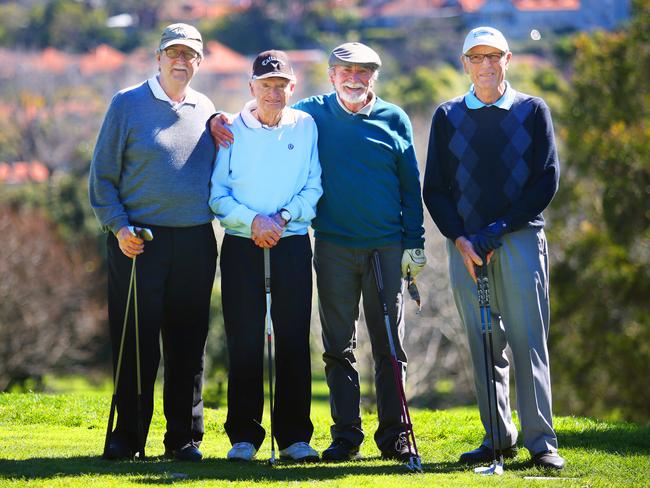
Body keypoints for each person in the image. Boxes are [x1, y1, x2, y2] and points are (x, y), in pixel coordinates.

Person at [211, 41, 426, 465]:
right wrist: (213, 121)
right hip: (289, 245)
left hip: (341, 242)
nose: (354, 78)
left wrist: (414, 242)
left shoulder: (343, 121)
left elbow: (395, 187)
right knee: (293, 344)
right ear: (331, 75)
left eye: (364, 72)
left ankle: (366, 436)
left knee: (353, 344)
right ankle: (298, 436)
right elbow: (222, 183)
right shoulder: (269, 122)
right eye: (346, 71)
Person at [423, 26, 565, 470]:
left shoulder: (532, 109)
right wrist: (460, 238)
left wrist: (500, 227)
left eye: (494, 57)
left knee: (526, 340)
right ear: (465, 64)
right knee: (484, 341)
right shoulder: (447, 116)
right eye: (476, 58)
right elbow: (436, 189)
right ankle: (497, 438)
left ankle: (541, 441)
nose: (485, 65)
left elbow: (547, 179)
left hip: (519, 240)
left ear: (508, 59)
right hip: (466, 248)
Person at [89, 23, 217, 462]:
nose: (181, 61)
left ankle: (183, 438)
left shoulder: (206, 108)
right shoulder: (126, 104)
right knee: (136, 345)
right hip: (137, 241)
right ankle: (128, 438)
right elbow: (102, 177)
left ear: (199, 62)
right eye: (173, 53)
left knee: (187, 344)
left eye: (190, 55)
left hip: (196, 240)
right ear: (158, 57)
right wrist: (118, 227)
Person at [209, 50, 322, 462]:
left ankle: (294, 437)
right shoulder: (230, 130)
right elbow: (217, 195)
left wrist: (282, 217)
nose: (273, 92)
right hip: (242, 244)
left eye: (281, 85)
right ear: (251, 87)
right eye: (266, 84)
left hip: (291, 242)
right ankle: (244, 436)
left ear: (292, 87)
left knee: (293, 339)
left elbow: (313, 186)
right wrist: (253, 221)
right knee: (245, 340)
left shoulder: (305, 125)